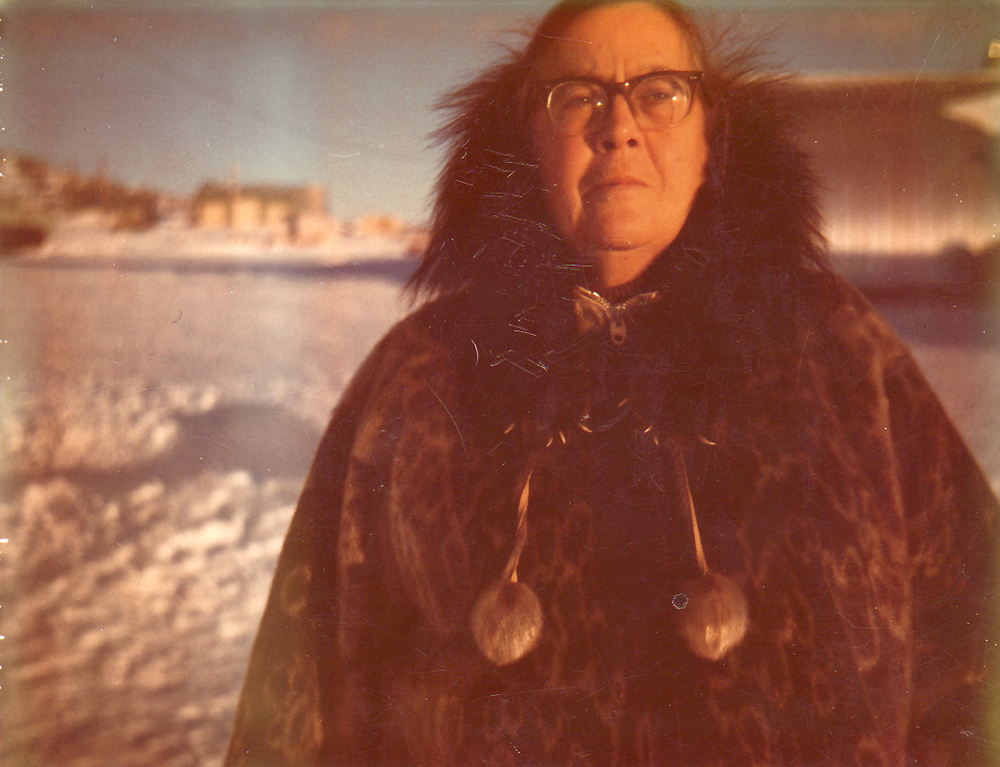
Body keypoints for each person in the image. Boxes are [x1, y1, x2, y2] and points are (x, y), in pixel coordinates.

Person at [224, 1, 997, 763]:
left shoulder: (842, 354)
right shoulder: (420, 375)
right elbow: (302, 694)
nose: (619, 124)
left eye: (661, 92)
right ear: (526, 144)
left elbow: (976, 652)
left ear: (710, 143)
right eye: (577, 97)